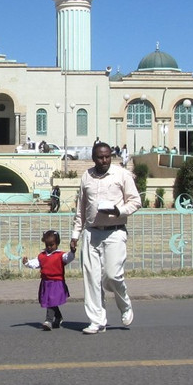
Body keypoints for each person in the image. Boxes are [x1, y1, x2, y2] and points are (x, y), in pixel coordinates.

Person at [70, 141, 142, 334]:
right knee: (91, 278)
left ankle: (124, 304)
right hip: (92, 232)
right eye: (100, 157)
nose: (104, 160)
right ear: (94, 158)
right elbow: (81, 208)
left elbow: (136, 201)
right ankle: (97, 320)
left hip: (115, 231)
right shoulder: (87, 176)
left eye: (107, 156)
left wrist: (119, 210)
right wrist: (76, 234)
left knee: (112, 275)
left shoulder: (122, 175)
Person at [22, 229, 76, 330]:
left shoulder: (60, 255)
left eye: (52, 245)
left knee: (51, 300)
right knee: (50, 301)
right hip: (46, 282)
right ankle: (58, 317)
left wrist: (72, 251)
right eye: (47, 245)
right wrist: (27, 262)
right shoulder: (42, 256)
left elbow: (68, 257)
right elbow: (36, 263)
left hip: (57, 282)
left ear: (57, 243)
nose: (49, 247)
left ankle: (48, 321)